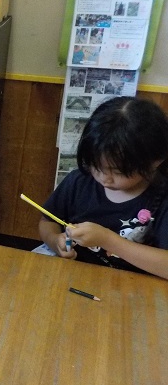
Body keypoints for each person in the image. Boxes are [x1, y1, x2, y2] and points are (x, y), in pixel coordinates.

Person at [39, 96, 168, 279]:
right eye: (96, 166)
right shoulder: (80, 181)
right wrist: (55, 241)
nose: (104, 178)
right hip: (75, 276)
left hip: (132, 287)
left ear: (154, 162)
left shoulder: (162, 198)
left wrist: (108, 240)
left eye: (118, 171)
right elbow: (47, 221)